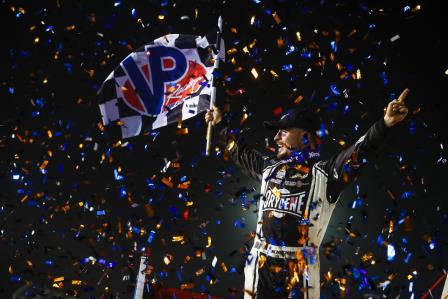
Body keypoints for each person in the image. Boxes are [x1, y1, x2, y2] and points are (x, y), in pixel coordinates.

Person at [204, 88, 410, 299]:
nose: (276, 137)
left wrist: (384, 124)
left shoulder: (326, 174)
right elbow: (240, 151)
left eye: (283, 131)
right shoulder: (269, 168)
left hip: (301, 268)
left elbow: (359, 151)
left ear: (304, 136)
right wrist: (220, 124)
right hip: (261, 264)